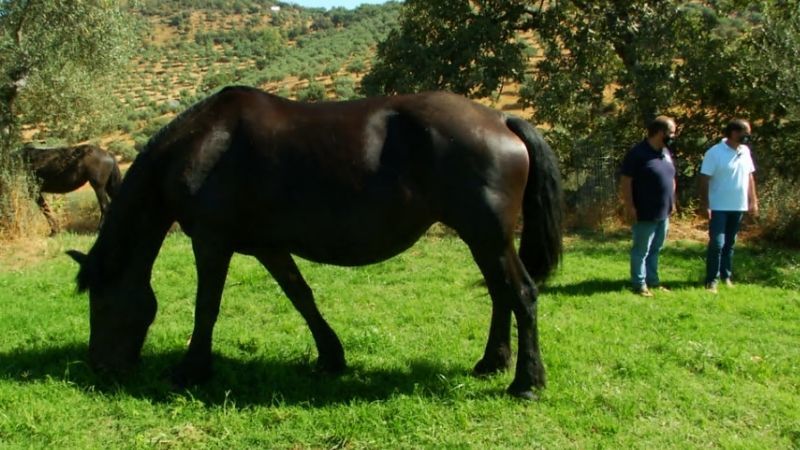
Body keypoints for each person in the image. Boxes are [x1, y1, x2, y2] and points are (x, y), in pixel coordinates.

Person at [699, 119, 758, 294]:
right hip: (718, 206)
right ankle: (711, 281)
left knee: (730, 243)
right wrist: (705, 204)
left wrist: (753, 201)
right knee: (717, 243)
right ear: (733, 133)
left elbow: (749, 177)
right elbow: (704, 178)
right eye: (745, 132)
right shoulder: (715, 152)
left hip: (738, 206)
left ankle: (726, 276)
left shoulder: (745, 151)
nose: (748, 136)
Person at [620, 116, 677, 297]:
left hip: (663, 211)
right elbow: (626, 181)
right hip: (645, 210)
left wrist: (673, 202)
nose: (673, 136)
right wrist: (630, 206)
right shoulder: (637, 153)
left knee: (656, 248)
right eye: (671, 133)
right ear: (660, 132)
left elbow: (671, 178)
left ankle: (653, 280)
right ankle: (639, 284)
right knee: (641, 250)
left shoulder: (665, 152)